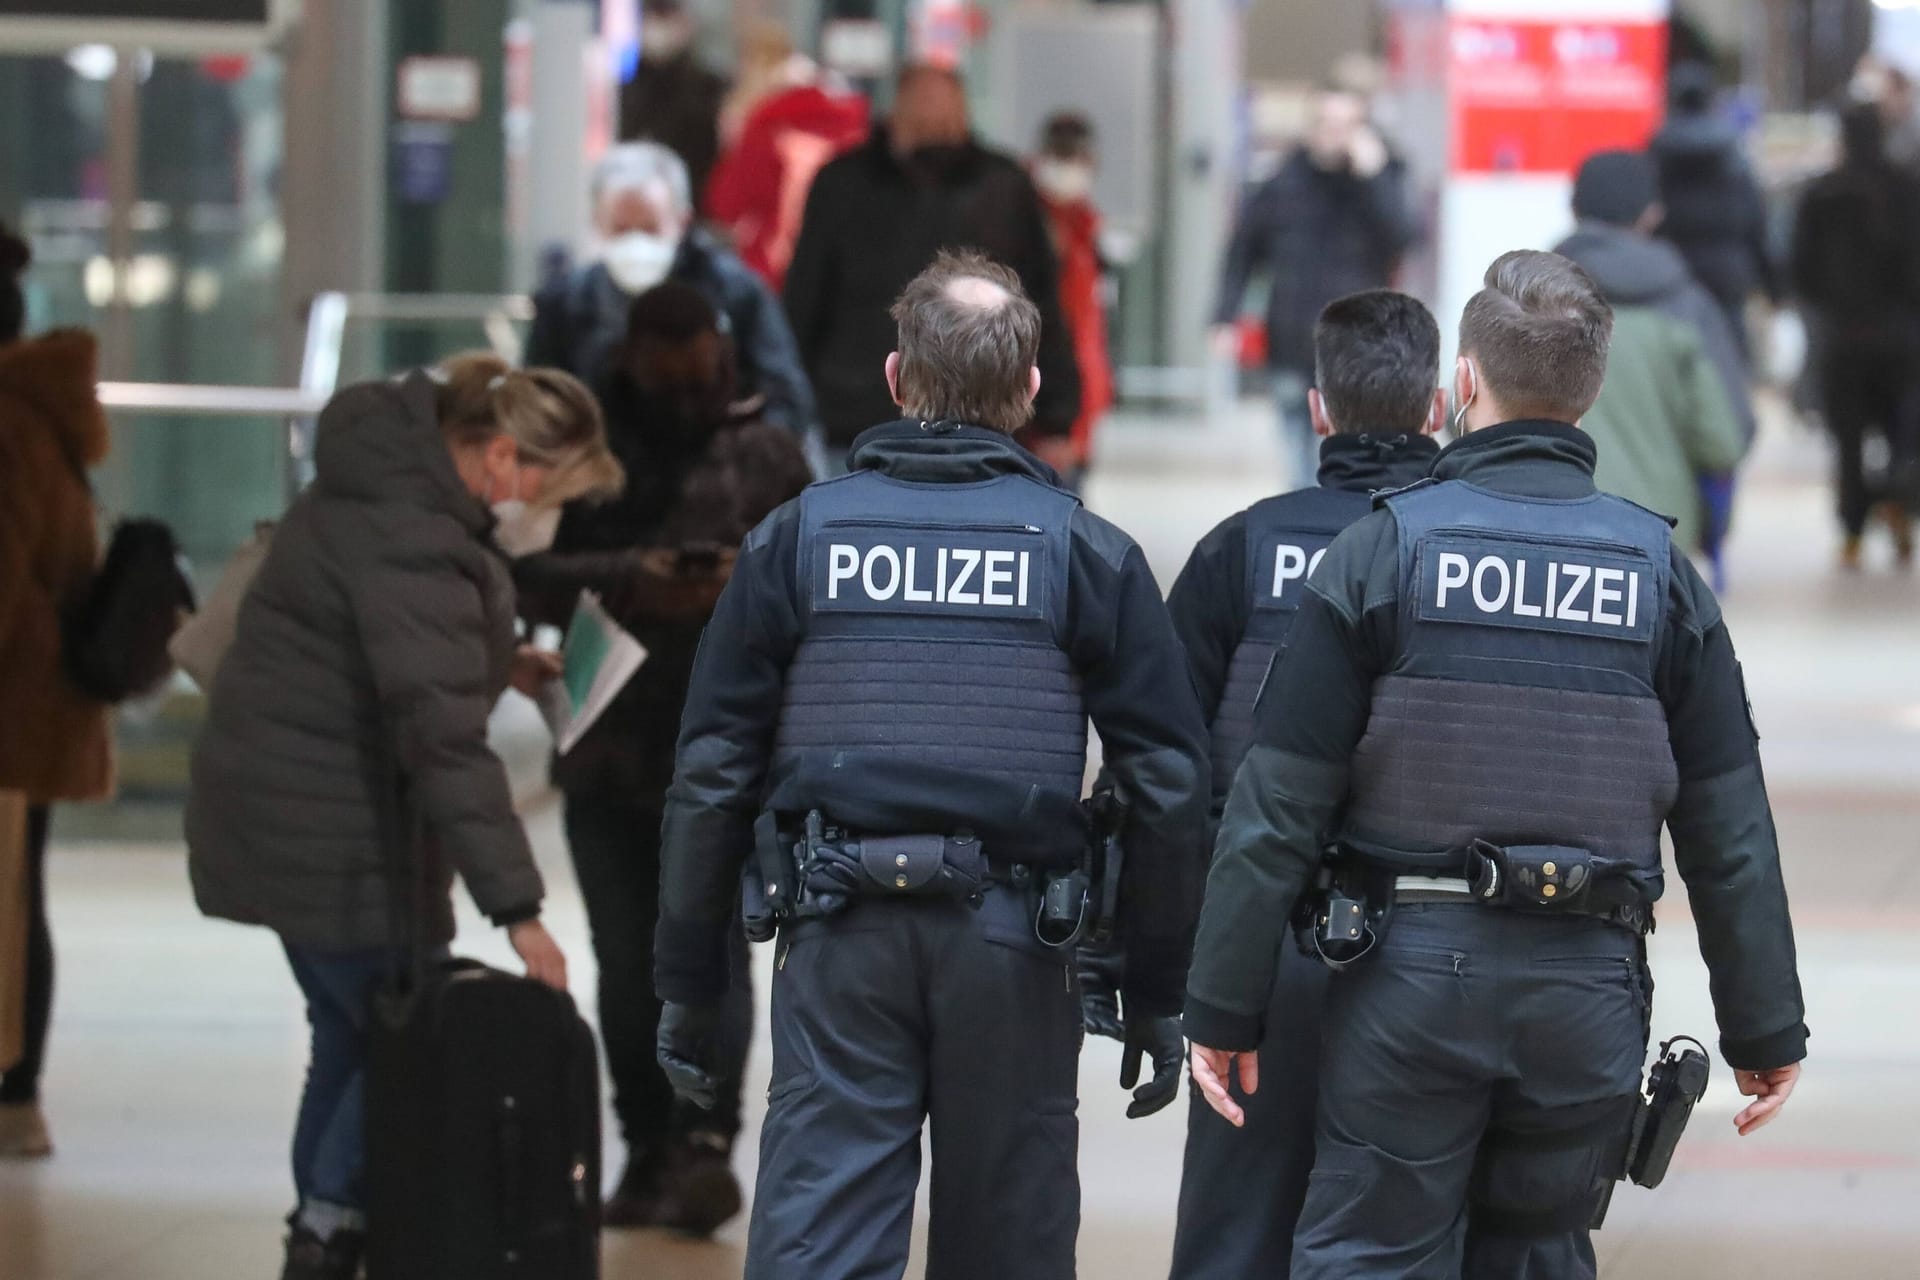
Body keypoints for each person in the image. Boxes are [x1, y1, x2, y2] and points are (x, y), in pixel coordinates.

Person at [1186, 250, 1808, 1280]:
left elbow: (1276, 805)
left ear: (1463, 384)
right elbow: (1727, 823)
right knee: (1538, 1253)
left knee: (1370, 1253)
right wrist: (1764, 1020)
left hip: (1406, 980)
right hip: (1588, 989)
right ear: (1592, 385)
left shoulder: (1385, 551)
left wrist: (1223, 1002)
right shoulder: (1660, 576)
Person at [652, 251, 1208, 1279]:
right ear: (1034, 389)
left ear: (898, 377)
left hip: (836, 930)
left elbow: (712, 772)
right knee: (1009, 1235)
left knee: (823, 1229)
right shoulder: (1085, 552)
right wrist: (1155, 980)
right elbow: (1170, 784)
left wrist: (690, 978)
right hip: (1014, 939)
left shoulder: (796, 541)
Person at [185, 354, 621, 1280]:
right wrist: (520, 910)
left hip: (291, 807)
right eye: (552, 488)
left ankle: (324, 1230)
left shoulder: (387, 482)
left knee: (351, 1036)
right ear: (500, 457)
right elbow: (441, 739)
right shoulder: (413, 529)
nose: (552, 514)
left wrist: (503, 664)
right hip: (334, 828)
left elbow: (381, 645)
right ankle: (329, 1231)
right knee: (400, 1037)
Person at [512, 282, 813, 1235]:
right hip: (607, 743)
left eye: (701, 374)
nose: (687, 395)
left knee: (713, 955)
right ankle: (645, 1144)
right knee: (626, 960)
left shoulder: (767, 451)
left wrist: (738, 583)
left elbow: (822, 577)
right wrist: (633, 579)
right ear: (632, 363)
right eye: (668, 375)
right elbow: (520, 572)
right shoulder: (585, 459)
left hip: (732, 754)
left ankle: (702, 1145)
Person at [1159, 290, 1442, 1279]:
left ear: (1317, 408)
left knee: (1236, 1225)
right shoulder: (1457, 551)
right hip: (1432, 947)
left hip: (1266, 944)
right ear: (1440, 406)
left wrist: (1173, 955)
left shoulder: (1241, 548)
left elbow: (1168, 764)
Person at [783, 64, 1083, 466]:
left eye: (942, 114)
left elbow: (1040, 303)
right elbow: (805, 296)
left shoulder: (1004, 188)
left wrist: (1058, 415)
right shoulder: (842, 183)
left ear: (963, 115)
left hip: (981, 419)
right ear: (895, 114)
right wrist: (787, 404)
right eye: (921, 113)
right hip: (854, 414)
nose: (932, 126)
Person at [0, 225, 113, 1160]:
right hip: (35, 702)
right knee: (17, 891)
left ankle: (12, 1085)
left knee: (8, 898)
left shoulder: (4, 418)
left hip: (9, 703)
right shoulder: (42, 406)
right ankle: (16, 1085)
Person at [526, 142, 817, 440]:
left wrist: (736, 461)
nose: (636, 243)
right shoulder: (563, 304)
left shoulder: (737, 293)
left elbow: (787, 400)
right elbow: (534, 404)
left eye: (650, 228)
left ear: (682, 221)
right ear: (597, 223)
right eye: (621, 229)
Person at [1214, 84, 1418, 484]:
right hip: (1292, 341)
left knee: (1348, 462)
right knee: (1299, 465)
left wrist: (1374, 177)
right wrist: (1225, 316)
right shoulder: (1283, 183)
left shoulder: (1380, 180)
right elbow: (1242, 252)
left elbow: (1403, 238)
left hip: (1357, 352)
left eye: (1346, 124)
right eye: (1325, 122)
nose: (1334, 133)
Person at [1555, 149, 1750, 564]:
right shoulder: (1689, 306)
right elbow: (1725, 437)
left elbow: (1473, 417)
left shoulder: (1529, 301)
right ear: (1651, 213)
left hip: (1550, 530)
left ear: (1573, 207)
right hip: (1661, 535)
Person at [1790, 102, 1920, 569]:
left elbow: (1801, 268)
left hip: (1842, 336)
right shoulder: (1907, 188)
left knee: (1848, 438)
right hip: (1900, 336)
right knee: (1901, 430)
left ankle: (1851, 529)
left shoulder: (1823, 193)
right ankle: (1899, 502)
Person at [704, 24, 869, 293]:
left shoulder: (763, 128)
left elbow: (726, 205)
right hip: (844, 272)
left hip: (771, 267)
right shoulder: (852, 128)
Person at [1651, 62, 1781, 358]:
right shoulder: (1732, 153)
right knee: (1729, 362)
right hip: (1728, 274)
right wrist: (1774, 286)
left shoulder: (1658, 151)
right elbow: (1755, 223)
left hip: (1674, 270)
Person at [1031, 111, 1115, 485]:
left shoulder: (1085, 228)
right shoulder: (1027, 228)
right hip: (1045, 413)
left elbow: (1087, 328)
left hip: (1079, 403)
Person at [619, 0, 726, 198]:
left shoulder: (710, 86)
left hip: (694, 197)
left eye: (665, 15)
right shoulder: (625, 87)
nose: (656, 25)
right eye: (650, 15)